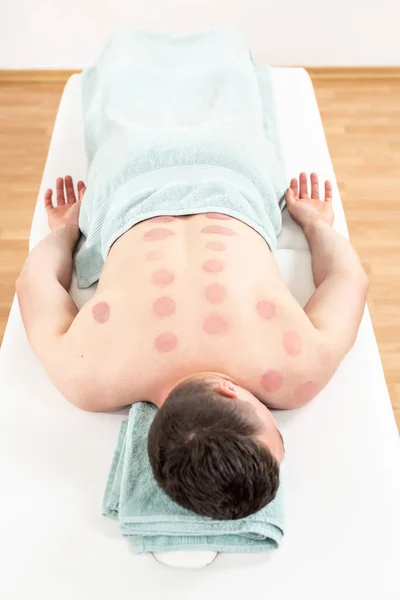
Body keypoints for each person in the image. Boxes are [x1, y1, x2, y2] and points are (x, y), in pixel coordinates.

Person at [16, 172, 368, 520]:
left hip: (237, 178)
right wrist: (63, 231)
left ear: (228, 391)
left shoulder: (302, 370)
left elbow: (349, 278)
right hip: (127, 182)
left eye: (274, 427)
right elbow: (33, 283)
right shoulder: (84, 376)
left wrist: (317, 223)